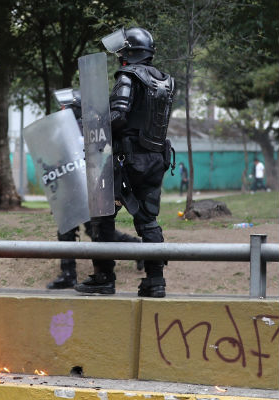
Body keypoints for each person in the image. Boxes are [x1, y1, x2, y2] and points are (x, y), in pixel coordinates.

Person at [74, 27, 175, 298]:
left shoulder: (128, 75)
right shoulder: (165, 80)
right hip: (155, 159)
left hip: (126, 161)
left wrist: (90, 123)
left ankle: (104, 277)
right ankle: (156, 281)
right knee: (147, 220)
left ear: (129, 52)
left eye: (123, 50)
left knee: (102, 215)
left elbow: (118, 116)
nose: (120, 56)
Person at [47, 89, 144, 290]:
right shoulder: (65, 132)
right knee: (65, 229)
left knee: (96, 232)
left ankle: (139, 249)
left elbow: (102, 157)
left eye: (65, 107)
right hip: (71, 191)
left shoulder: (91, 132)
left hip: (90, 190)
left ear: (75, 109)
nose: (61, 110)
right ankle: (68, 274)